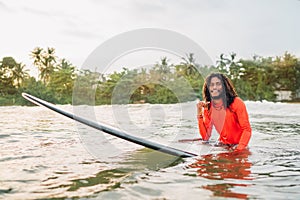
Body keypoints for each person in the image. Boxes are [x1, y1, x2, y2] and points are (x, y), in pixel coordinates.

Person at [197, 72, 251, 151]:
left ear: (224, 86)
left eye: (218, 84)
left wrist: (239, 150)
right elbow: (205, 137)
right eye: (211, 85)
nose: (214, 87)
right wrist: (199, 114)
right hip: (222, 145)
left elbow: (247, 129)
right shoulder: (208, 107)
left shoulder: (236, 103)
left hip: (238, 147)